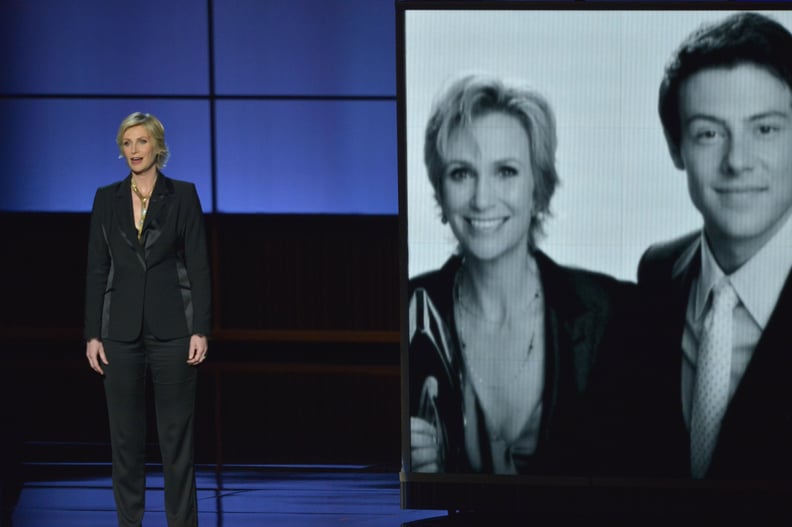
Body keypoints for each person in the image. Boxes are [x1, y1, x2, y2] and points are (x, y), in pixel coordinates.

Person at [408, 74, 634, 475]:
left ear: (539, 190)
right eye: (461, 173)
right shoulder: (407, 311)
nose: (481, 199)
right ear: (440, 194)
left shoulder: (612, 313)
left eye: (506, 172)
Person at [636, 12, 792, 480]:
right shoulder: (657, 272)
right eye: (708, 133)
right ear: (676, 147)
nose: (737, 161)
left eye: (764, 129)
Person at [84, 112, 212, 525]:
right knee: (124, 440)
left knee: (176, 437)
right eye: (127, 143)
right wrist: (92, 334)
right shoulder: (107, 198)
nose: (134, 151)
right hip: (119, 331)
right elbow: (97, 269)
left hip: (174, 328)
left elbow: (199, 266)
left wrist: (201, 329)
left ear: (157, 146)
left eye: (141, 142)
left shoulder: (184, 195)